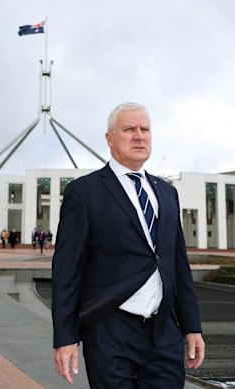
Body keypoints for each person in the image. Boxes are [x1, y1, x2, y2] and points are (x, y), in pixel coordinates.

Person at [52, 102, 204, 388]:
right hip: (110, 331)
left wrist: (191, 326)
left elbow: (178, 264)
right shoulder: (85, 193)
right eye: (129, 129)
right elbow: (66, 271)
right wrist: (65, 337)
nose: (139, 135)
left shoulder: (167, 193)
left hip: (164, 336)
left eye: (145, 129)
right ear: (109, 139)